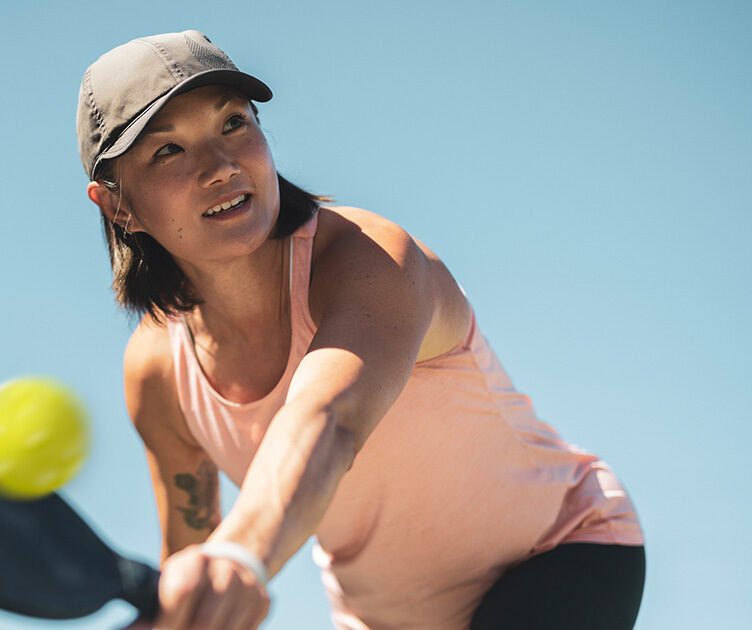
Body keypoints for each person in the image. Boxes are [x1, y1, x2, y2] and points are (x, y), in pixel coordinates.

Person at [76, 30, 645, 630]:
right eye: (168, 151)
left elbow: (330, 418)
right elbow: (192, 561)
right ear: (117, 206)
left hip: (558, 553)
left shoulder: (372, 255)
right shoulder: (159, 369)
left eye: (234, 124)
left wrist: (238, 557)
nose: (220, 166)